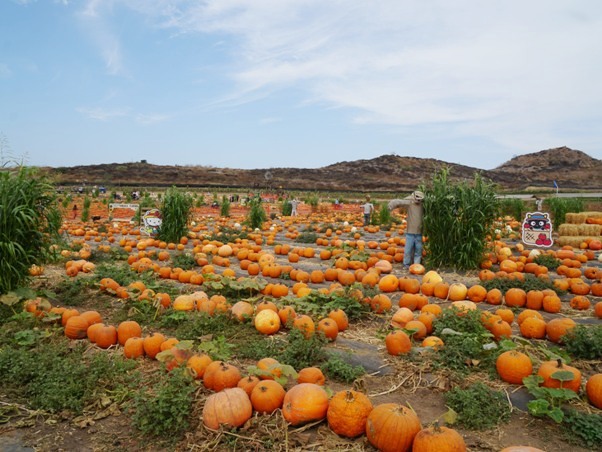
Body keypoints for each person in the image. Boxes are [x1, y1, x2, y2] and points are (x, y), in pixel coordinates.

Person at [389, 190, 425, 267]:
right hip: (410, 232)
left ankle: (416, 265)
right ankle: (406, 264)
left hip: (419, 233)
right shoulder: (410, 202)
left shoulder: (424, 204)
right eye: (417, 198)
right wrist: (390, 206)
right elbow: (398, 202)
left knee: (418, 250)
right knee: (408, 250)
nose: (418, 200)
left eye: (420, 199)